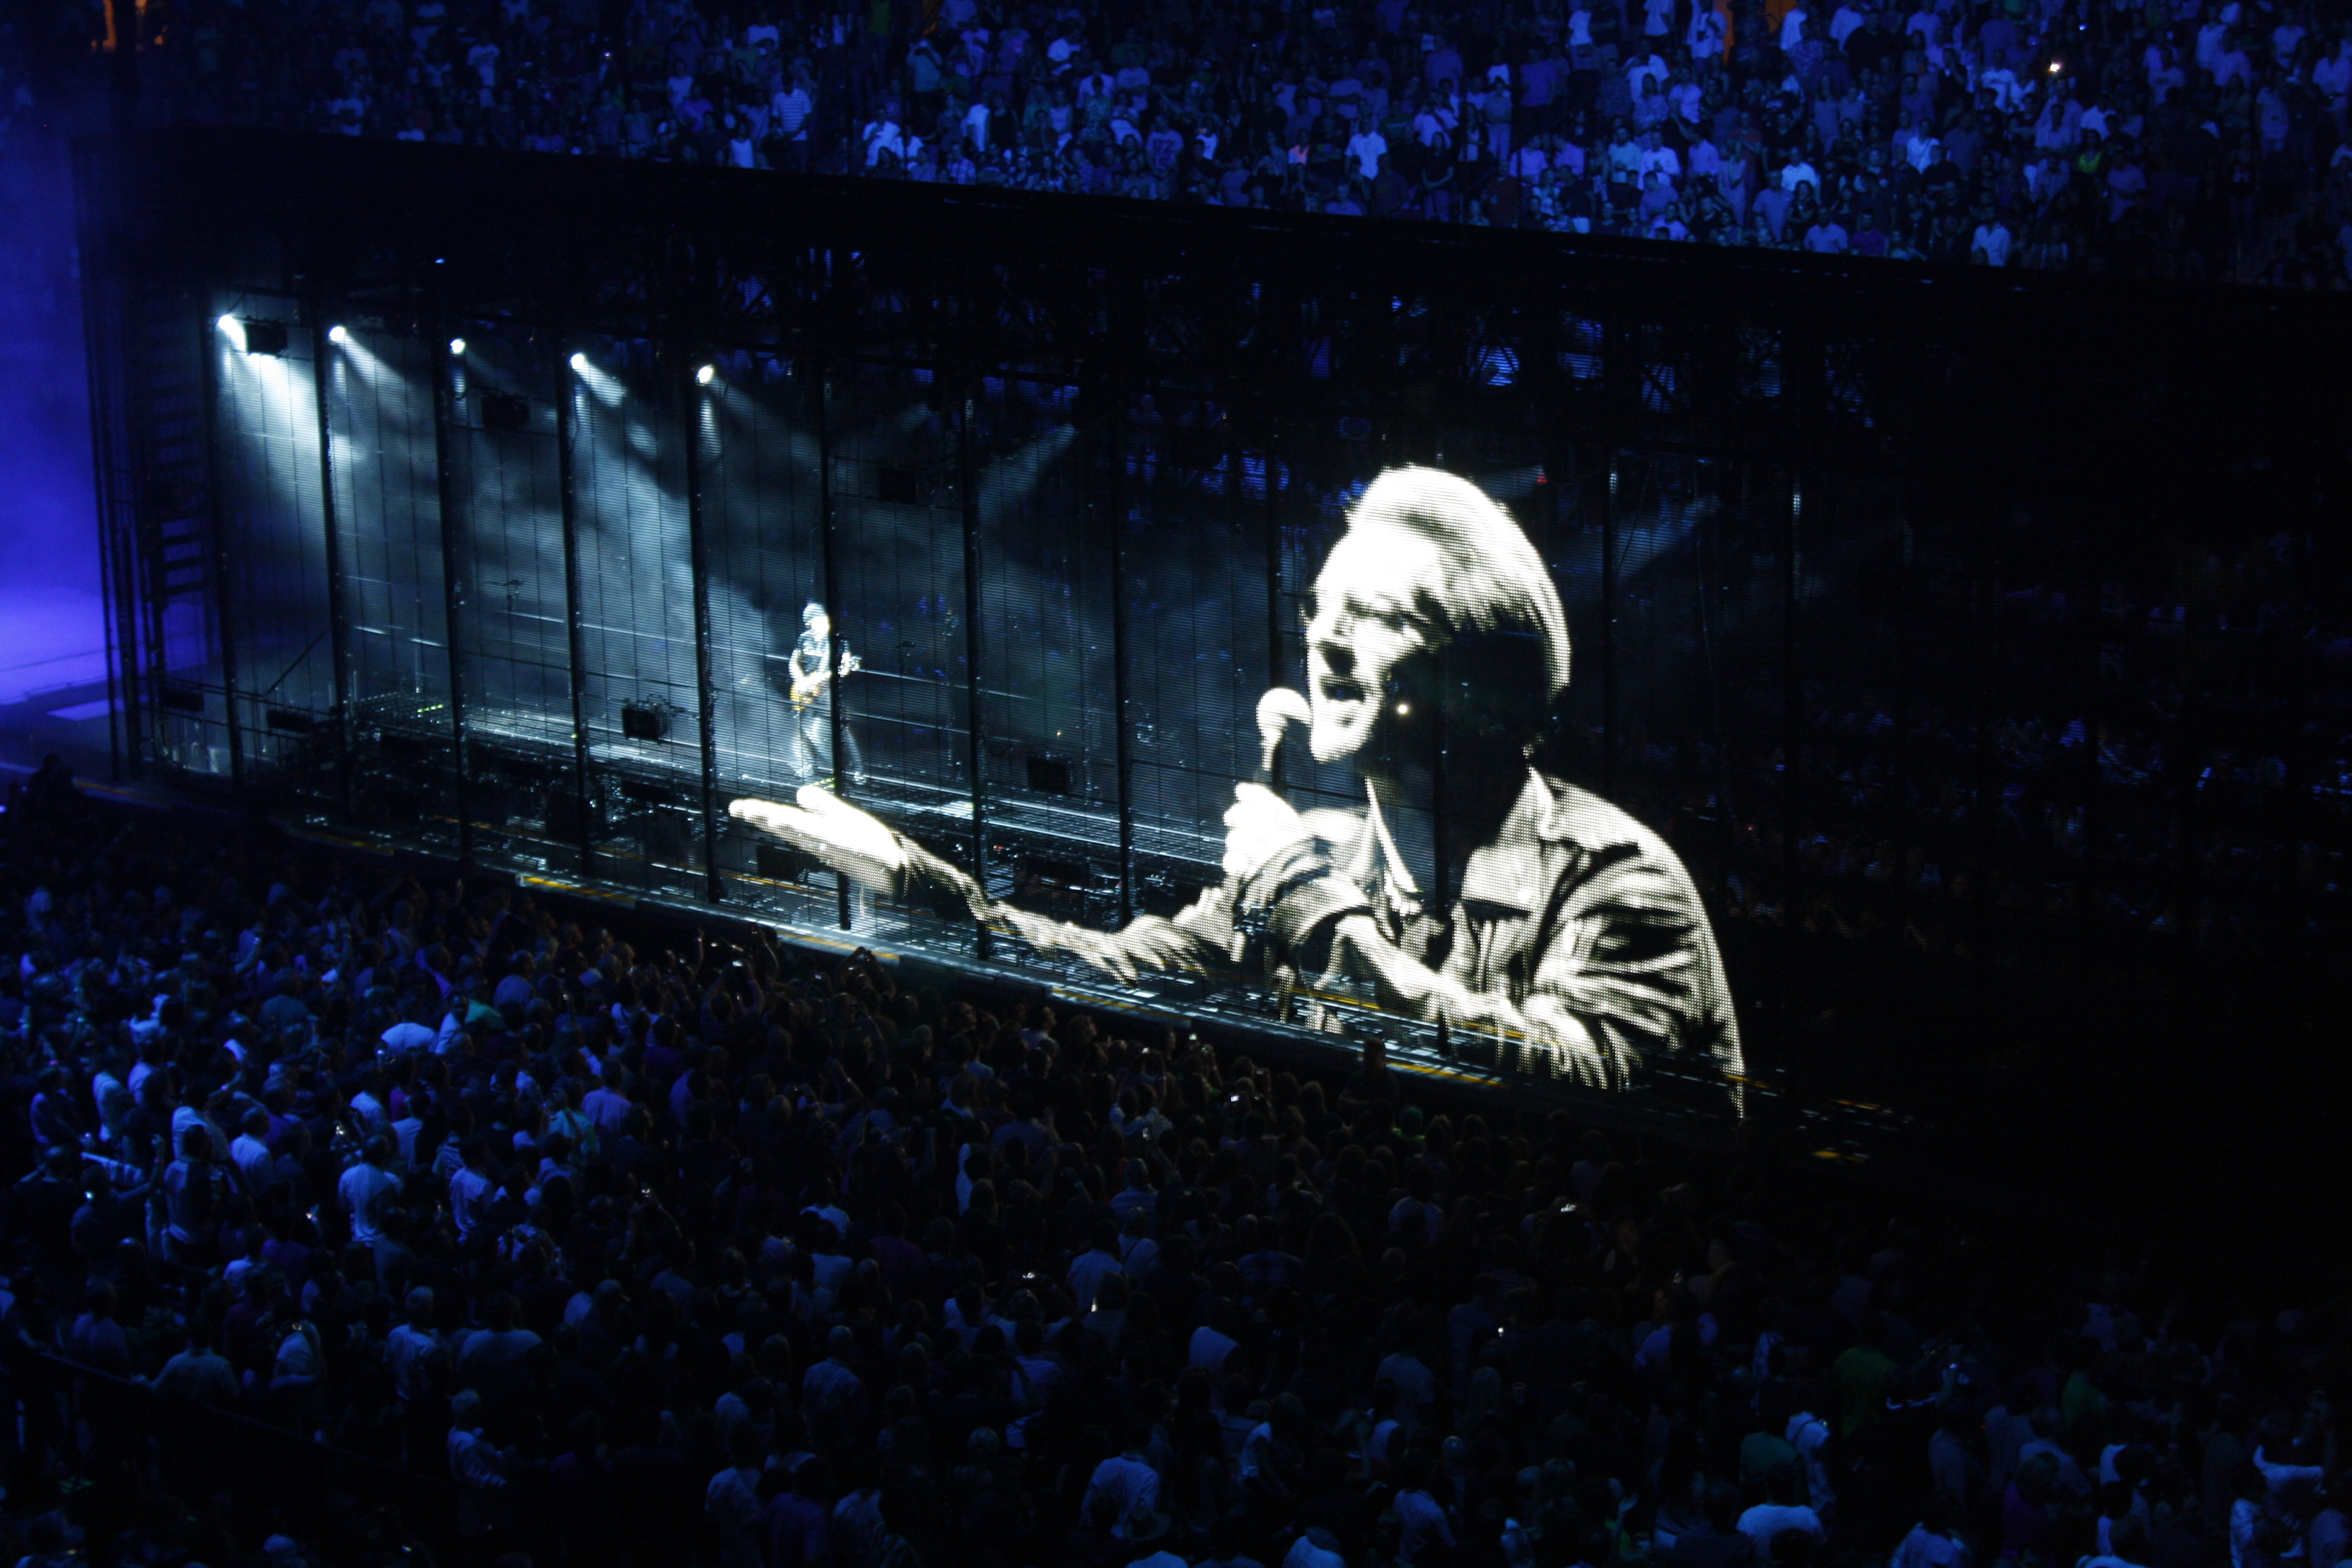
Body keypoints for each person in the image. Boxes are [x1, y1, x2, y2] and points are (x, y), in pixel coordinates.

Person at [734, 466, 1744, 1112]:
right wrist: (921, 883)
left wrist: (1302, 893)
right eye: (1320, 609)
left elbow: (1581, 1092)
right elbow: (1127, 968)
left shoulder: (1621, 885)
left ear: (1481, 677)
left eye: (1378, 614)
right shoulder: (1325, 852)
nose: (1327, 640)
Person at [784, 600, 863, 786]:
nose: (823, 622)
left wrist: (836, 673)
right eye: (817, 620)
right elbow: (794, 662)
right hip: (805, 689)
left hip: (827, 691)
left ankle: (857, 770)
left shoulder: (838, 641)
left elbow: (845, 668)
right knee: (801, 728)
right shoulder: (805, 638)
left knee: (839, 729)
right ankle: (806, 766)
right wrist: (801, 681)